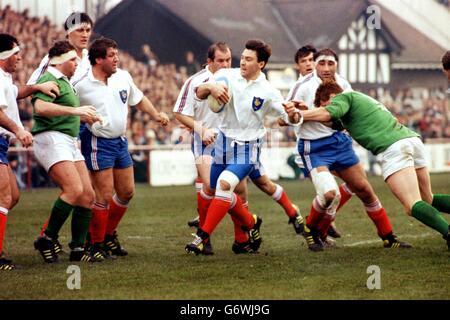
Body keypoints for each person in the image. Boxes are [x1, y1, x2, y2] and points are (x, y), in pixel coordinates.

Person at [175, 42, 303, 255]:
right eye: (242, 57)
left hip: (248, 148)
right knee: (215, 189)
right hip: (223, 143)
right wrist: (210, 87)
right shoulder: (227, 76)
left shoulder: (268, 91)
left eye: (249, 59)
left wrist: (294, 113)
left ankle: (202, 237)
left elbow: (289, 118)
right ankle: (251, 222)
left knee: (226, 185)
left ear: (260, 64)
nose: (242, 61)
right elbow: (198, 93)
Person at [295, 80, 450, 251]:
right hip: (411, 140)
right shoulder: (357, 101)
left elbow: (328, 113)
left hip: (395, 147)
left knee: (412, 205)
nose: (329, 108)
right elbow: (334, 123)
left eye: (328, 104)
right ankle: (389, 237)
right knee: (428, 199)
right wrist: (308, 111)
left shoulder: (344, 97)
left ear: (335, 97)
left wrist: (299, 114)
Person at [290, 48, 410, 251]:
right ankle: (311, 228)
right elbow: (286, 117)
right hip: (314, 148)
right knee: (329, 194)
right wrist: (295, 115)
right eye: (321, 63)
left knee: (363, 189)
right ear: (315, 65)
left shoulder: (344, 84)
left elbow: (348, 114)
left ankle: (388, 237)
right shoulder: (302, 86)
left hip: (339, 143)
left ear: (337, 64)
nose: (326, 68)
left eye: (331, 63)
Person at [75, 37, 169, 259]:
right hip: (98, 142)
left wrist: (156, 115)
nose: (117, 59)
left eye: (117, 54)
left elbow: (139, 98)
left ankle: (107, 235)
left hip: (120, 141)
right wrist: (80, 121)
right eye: (112, 55)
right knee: (104, 195)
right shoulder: (80, 84)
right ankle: (95, 244)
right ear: (98, 60)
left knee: (126, 192)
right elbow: (66, 109)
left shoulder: (123, 77)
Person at [32, 41, 102, 263]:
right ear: (60, 61)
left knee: (87, 195)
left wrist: (82, 116)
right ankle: (47, 237)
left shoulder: (65, 82)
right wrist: (76, 110)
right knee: (73, 189)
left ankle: (77, 249)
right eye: (73, 60)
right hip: (52, 138)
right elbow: (40, 107)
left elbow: (61, 111)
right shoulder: (49, 79)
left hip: (68, 141)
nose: (76, 64)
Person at [0, 33, 57, 269]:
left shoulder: (4, 79)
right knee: (4, 197)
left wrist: (38, 86)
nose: (19, 57)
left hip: (3, 144)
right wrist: (19, 130)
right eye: (15, 52)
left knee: (12, 197)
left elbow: (17, 93)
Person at [27, 12, 93, 86]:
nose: (85, 35)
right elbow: (32, 87)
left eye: (88, 30)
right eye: (80, 30)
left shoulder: (91, 57)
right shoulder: (56, 56)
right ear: (69, 32)